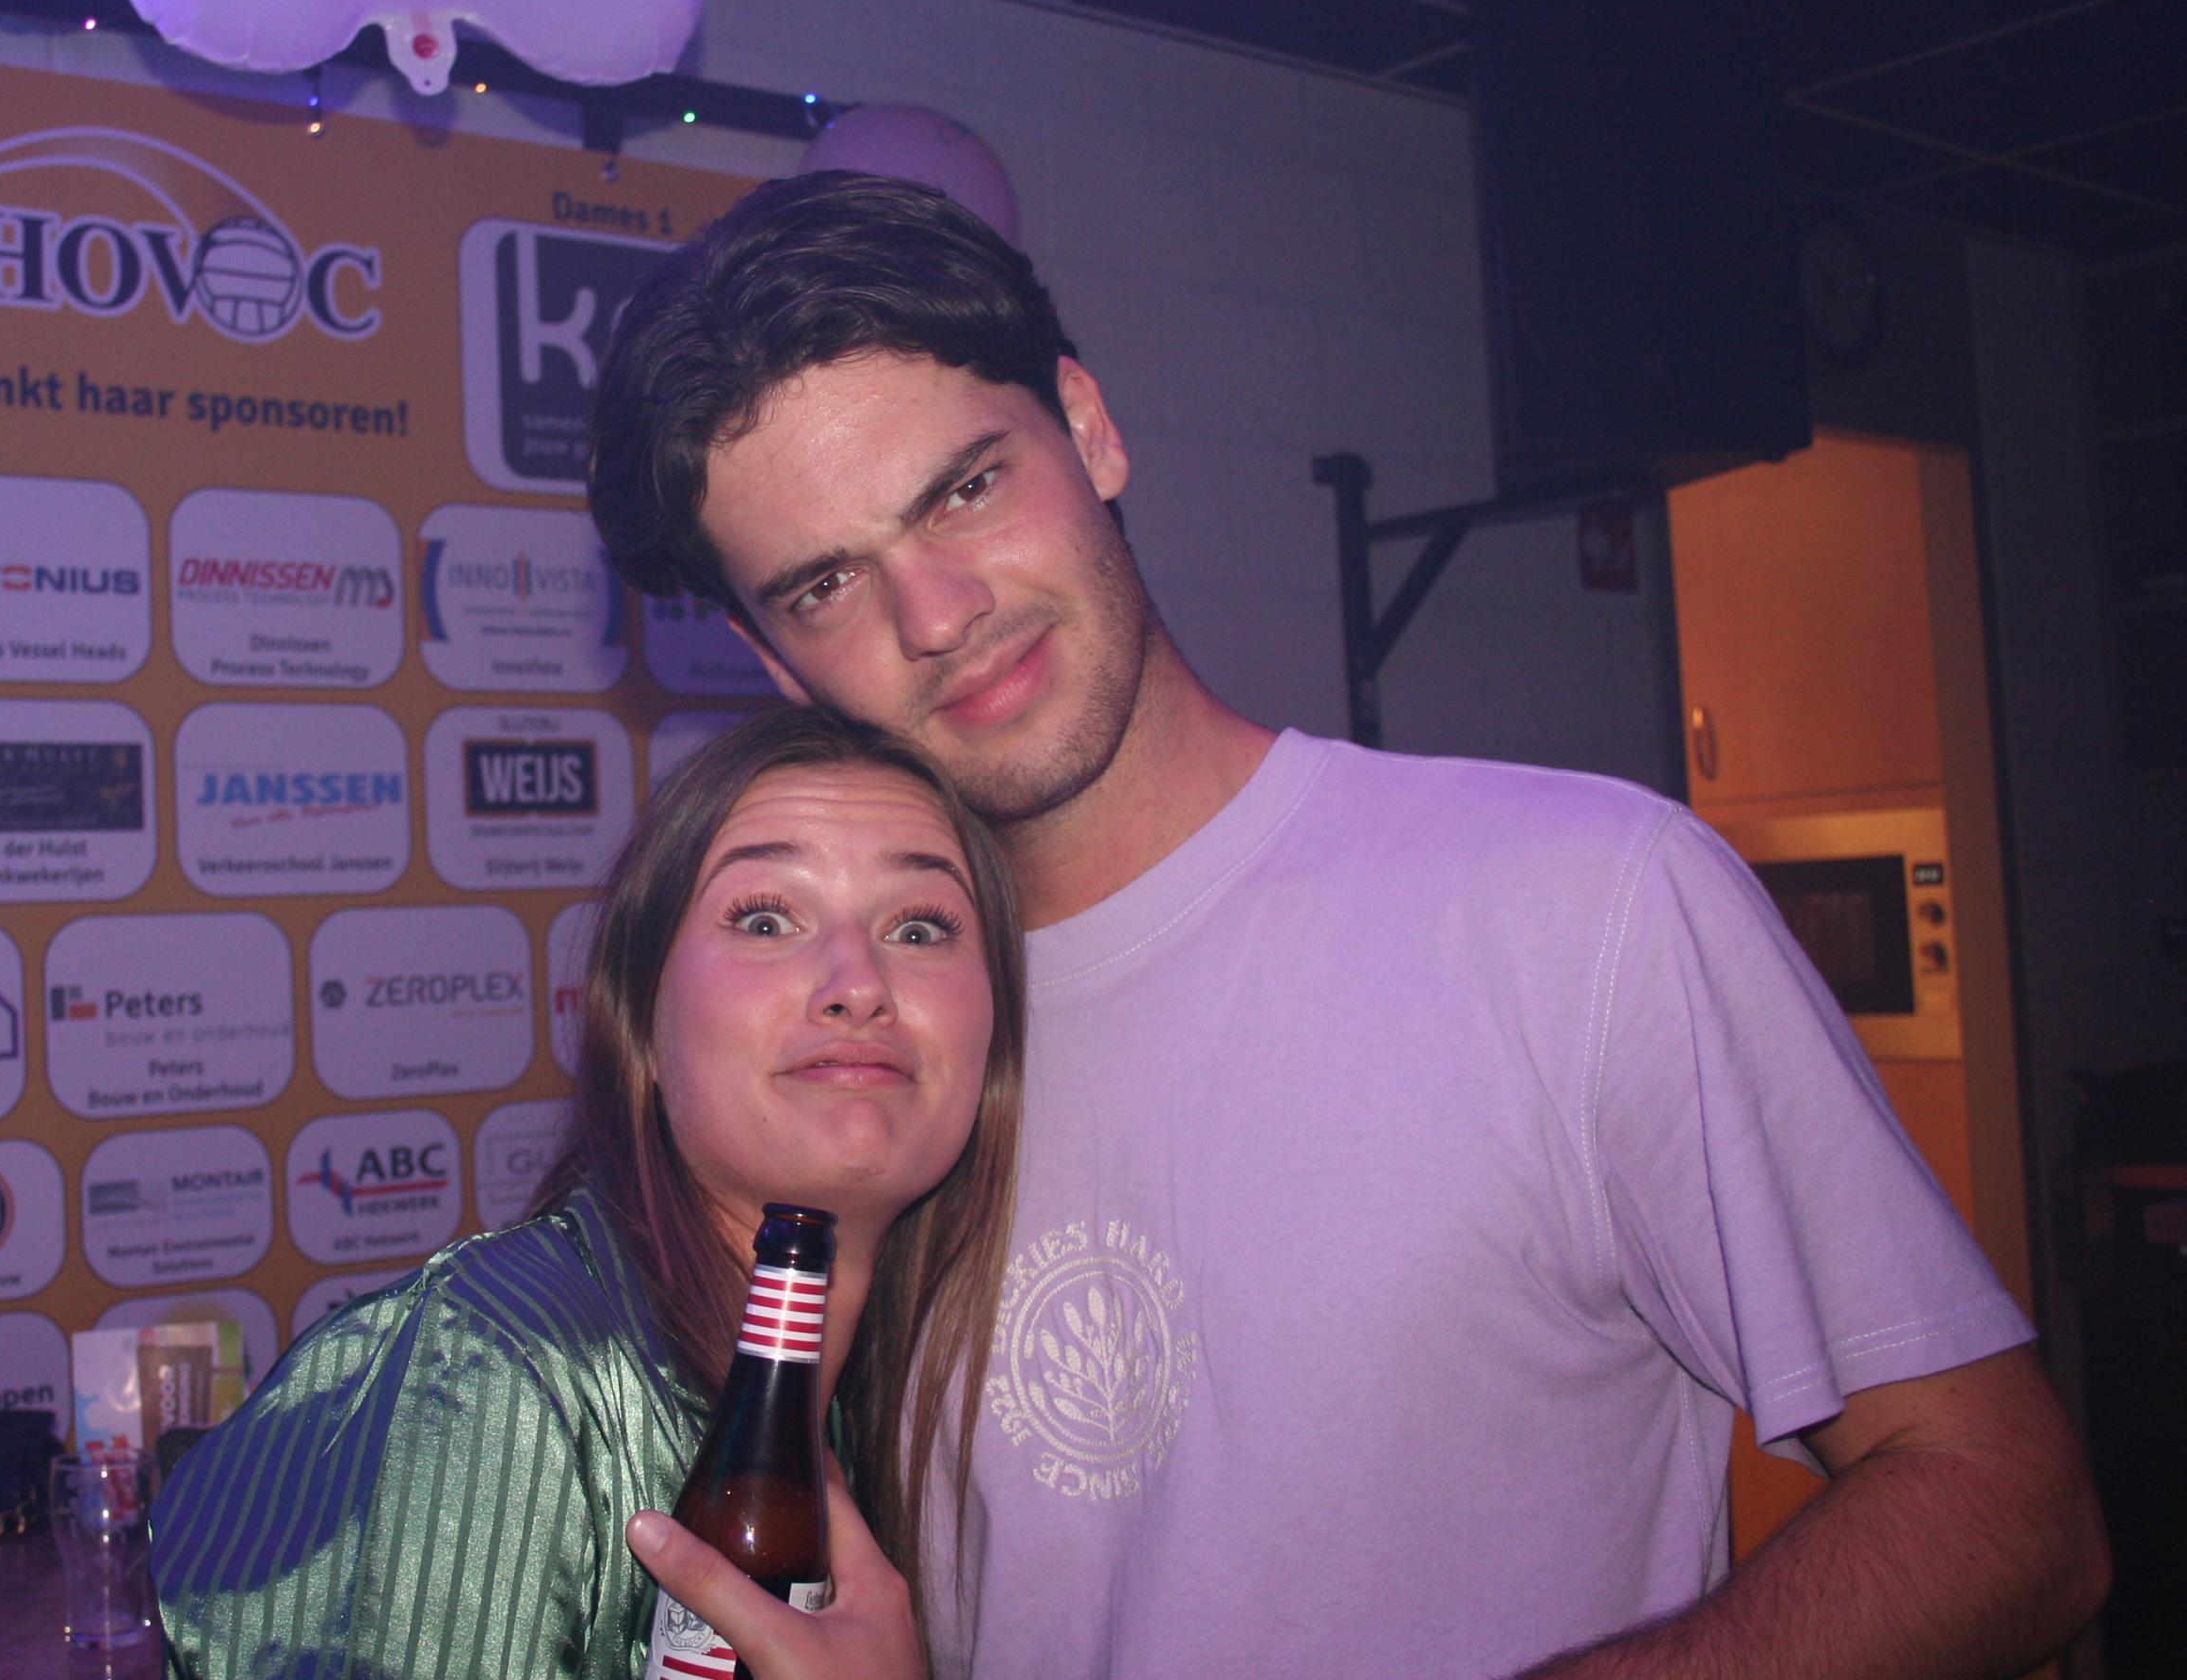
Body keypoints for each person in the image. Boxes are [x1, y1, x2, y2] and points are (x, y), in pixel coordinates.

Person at [588, 170, 2111, 1679]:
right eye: (827, 584)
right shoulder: (863, 1074)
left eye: (966, 489)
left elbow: (2009, 1505)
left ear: (1090, 427)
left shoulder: (1585, 904)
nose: (935, 614)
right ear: (772, 662)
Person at [151, 704, 1025, 1679]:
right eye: (766, 918)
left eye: (919, 926)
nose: (857, 983)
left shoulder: (906, 1415)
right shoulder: (490, 1377)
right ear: (642, 1025)